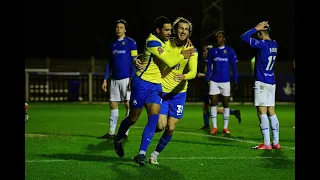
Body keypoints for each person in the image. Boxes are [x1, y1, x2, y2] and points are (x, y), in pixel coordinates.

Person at [112, 16, 194, 165]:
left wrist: (187, 42)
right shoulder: (153, 41)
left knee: (154, 119)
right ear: (158, 30)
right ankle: (117, 137)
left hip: (156, 87)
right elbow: (169, 60)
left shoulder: (165, 41)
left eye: (171, 30)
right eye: (167, 30)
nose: (170, 33)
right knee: (133, 118)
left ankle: (141, 154)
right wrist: (183, 54)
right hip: (142, 83)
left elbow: (169, 48)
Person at [145, 17, 198, 165]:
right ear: (175, 30)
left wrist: (184, 76)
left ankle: (154, 154)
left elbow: (193, 72)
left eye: (186, 29)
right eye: (180, 28)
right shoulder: (166, 43)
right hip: (162, 91)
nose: (183, 31)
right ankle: (146, 137)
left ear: (189, 32)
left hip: (179, 94)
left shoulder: (192, 50)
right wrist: (138, 59)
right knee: (160, 126)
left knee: (170, 127)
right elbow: (152, 54)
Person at [240, 21, 280, 150]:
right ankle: (276, 142)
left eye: (258, 33)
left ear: (261, 32)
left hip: (262, 82)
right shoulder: (274, 43)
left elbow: (243, 37)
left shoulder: (262, 45)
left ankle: (267, 143)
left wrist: (255, 28)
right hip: (271, 81)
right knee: (271, 112)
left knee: (261, 112)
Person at [97, 19, 137, 140]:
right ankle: (111, 132)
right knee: (113, 104)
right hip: (114, 79)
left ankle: (125, 133)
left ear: (125, 29)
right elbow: (110, 63)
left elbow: (135, 62)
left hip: (127, 78)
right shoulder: (112, 44)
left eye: (121, 27)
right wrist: (105, 79)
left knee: (127, 104)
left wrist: (132, 78)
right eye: (117, 27)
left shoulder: (131, 43)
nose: (118, 29)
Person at [197, 45, 241, 130]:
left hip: (212, 86)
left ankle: (233, 112)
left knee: (213, 108)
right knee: (205, 106)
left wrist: (202, 75)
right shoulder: (208, 61)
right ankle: (206, 125)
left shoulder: (213, 61)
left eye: (205, 51)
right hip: (209, 86)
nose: (204, 53)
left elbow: (212, 74)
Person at [205, 31, 239, 134]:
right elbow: (209, 68)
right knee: (214, 103)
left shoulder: (230, 51)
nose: (218, 39)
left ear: (224, 38)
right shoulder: (212, 51)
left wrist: (236, 81)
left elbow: (234, 68)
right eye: (217, 37)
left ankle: (225, 127)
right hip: (214, 81)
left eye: (220, 37)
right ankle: (214, 127)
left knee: (226, 104)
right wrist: (207, 79)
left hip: (225, 81)